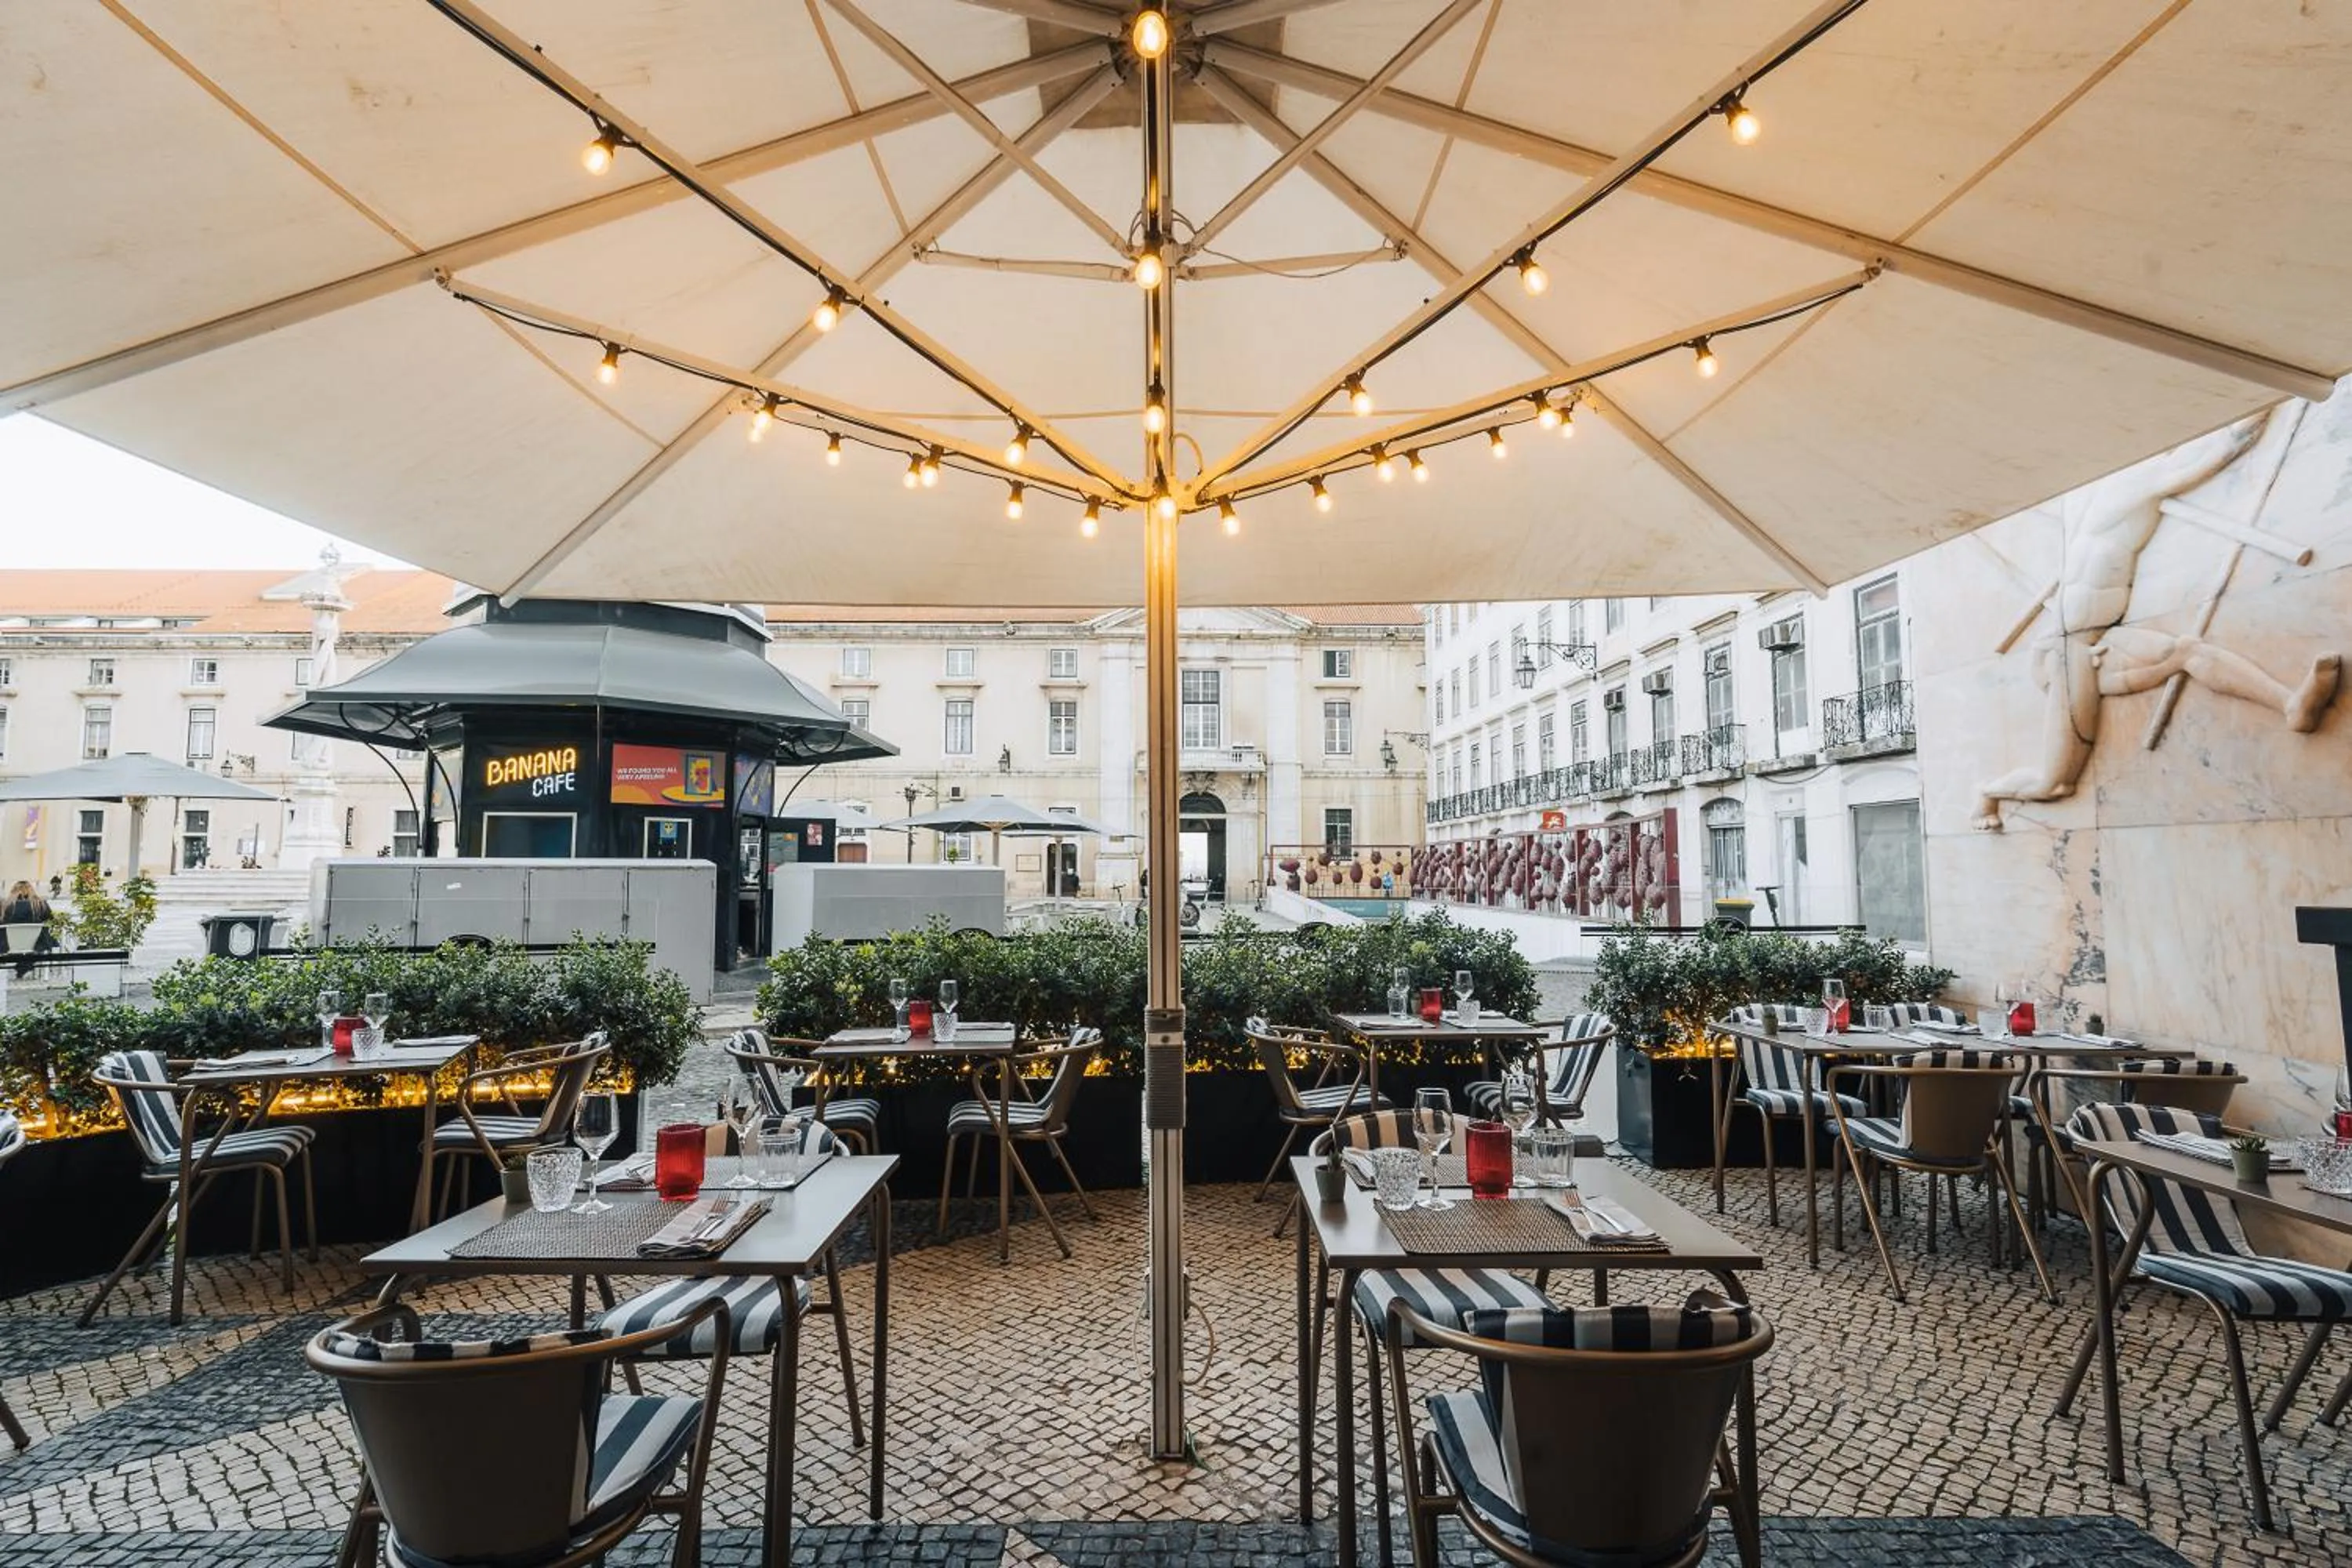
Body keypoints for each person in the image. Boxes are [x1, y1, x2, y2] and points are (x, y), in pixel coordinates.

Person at [1, 880, 58, 977]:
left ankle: (22, 965)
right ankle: (24, 965)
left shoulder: (4, 906)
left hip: (8, 945)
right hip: (35, 945)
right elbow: (51, 921)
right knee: (45, 934)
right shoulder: (41, 904)